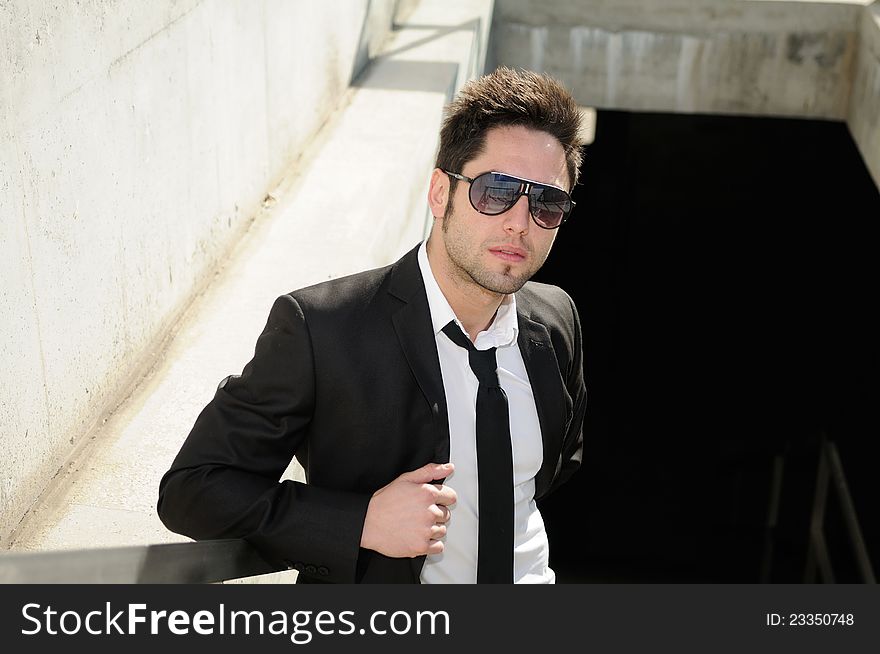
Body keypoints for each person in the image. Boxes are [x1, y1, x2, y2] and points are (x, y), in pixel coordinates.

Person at [157, 66, 588, 584]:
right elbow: (194, 489)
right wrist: (358, 522)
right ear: (438, 194)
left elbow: (551, 470)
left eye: (547, 202)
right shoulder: (322, 329)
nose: (519, 221)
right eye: (495, 191)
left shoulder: (555, 321)